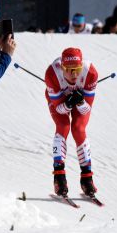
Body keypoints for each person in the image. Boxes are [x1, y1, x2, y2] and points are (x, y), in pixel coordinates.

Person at [44, 47, 99, 197]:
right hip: (60, 99)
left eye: (77, 69)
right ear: (62, 67)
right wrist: (67, 104)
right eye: (69, 70)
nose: (74, 74)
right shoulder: (52, 74)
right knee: (63, 125)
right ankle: (59, 178)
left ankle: (87, 178)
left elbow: (86, 110)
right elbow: (60, 110)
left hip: (78, 101)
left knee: (78, 128)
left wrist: (80, 102)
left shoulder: (90, 73)